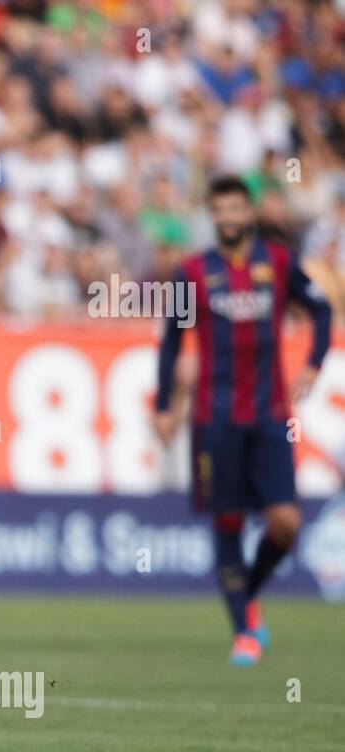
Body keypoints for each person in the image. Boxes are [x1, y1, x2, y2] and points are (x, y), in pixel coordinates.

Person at [153, 175, 332, 666]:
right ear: (212, 215)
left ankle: (245, 593)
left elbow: (320, 309)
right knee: (226, 522)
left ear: (248, 212)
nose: (229, 217)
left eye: (236, 208)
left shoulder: (277, 263)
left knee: (286, 522)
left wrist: (315, 362)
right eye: (221, 210)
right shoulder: (192, 272)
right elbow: (172, 339)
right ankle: (245, 633)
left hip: (271, 414)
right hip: (215, 417)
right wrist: (165, 404)